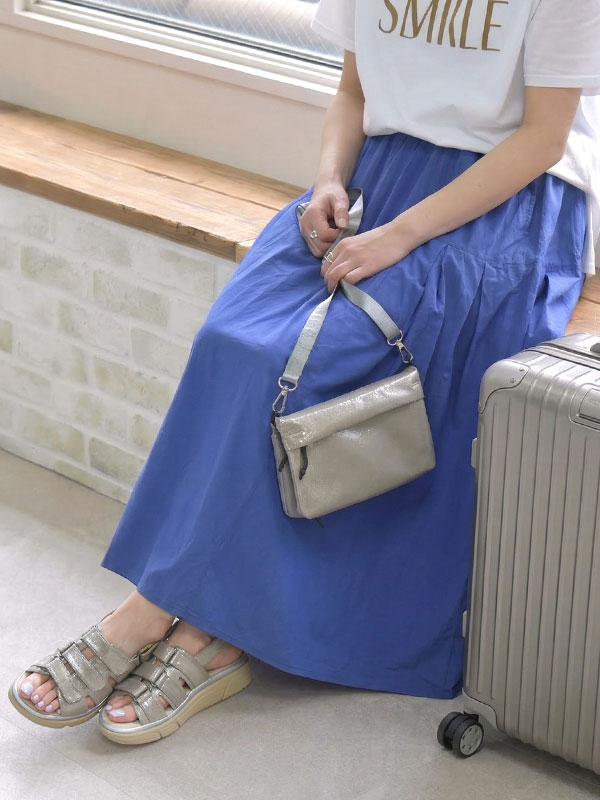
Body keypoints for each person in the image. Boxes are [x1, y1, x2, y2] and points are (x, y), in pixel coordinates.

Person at [8, 0, 600, 745]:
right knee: (234, 340)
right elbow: (353, 92)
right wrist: (327, 181)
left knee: (314, 360)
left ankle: (162, 615)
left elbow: (542, 141)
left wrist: (398, 238)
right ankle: (203, 626)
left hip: (502, 209)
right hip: (380, 175)